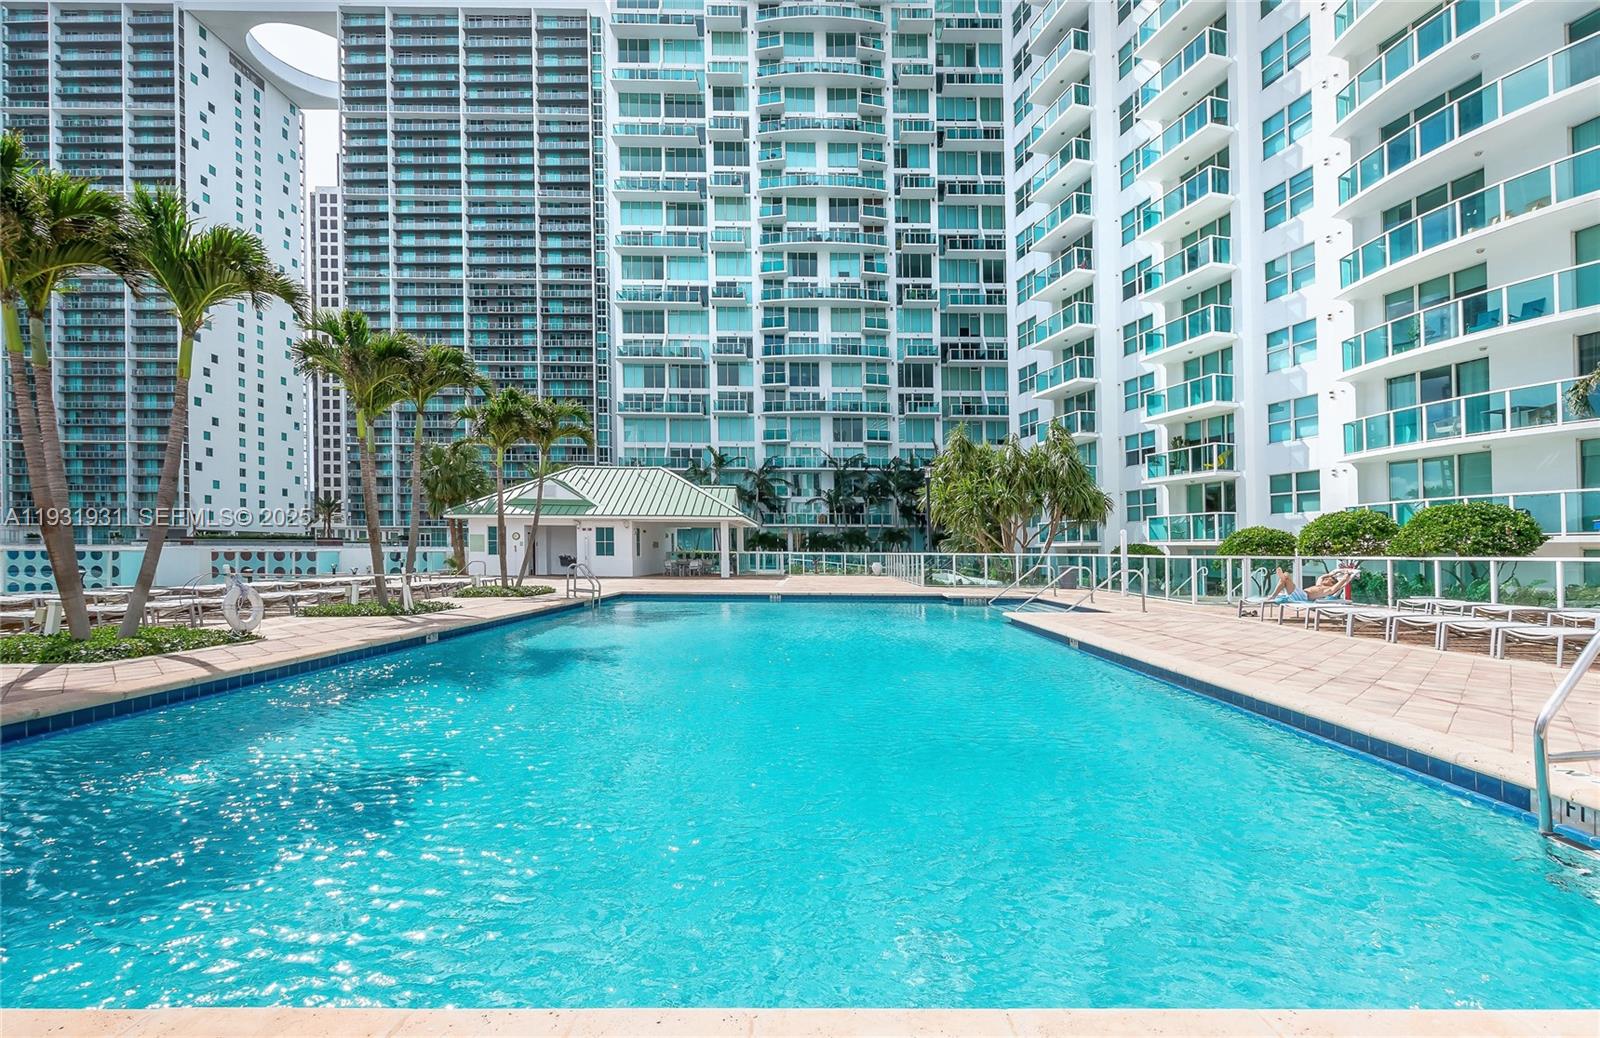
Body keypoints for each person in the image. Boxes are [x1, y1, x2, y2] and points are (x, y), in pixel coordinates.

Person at [1270, 567, 1356, 604]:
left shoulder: (1329, 590)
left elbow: (1343, 582)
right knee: (1285, 578)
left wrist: (1347, 575)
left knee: (1286, 575)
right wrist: (1333, 573)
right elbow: (1321, 577)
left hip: (1303, 597)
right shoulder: (1319, 585)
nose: (1326, 579)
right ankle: (1275, 593)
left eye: (1329, 579)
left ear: (1332, 583)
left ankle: (1283, 579)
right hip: (1300, 593)